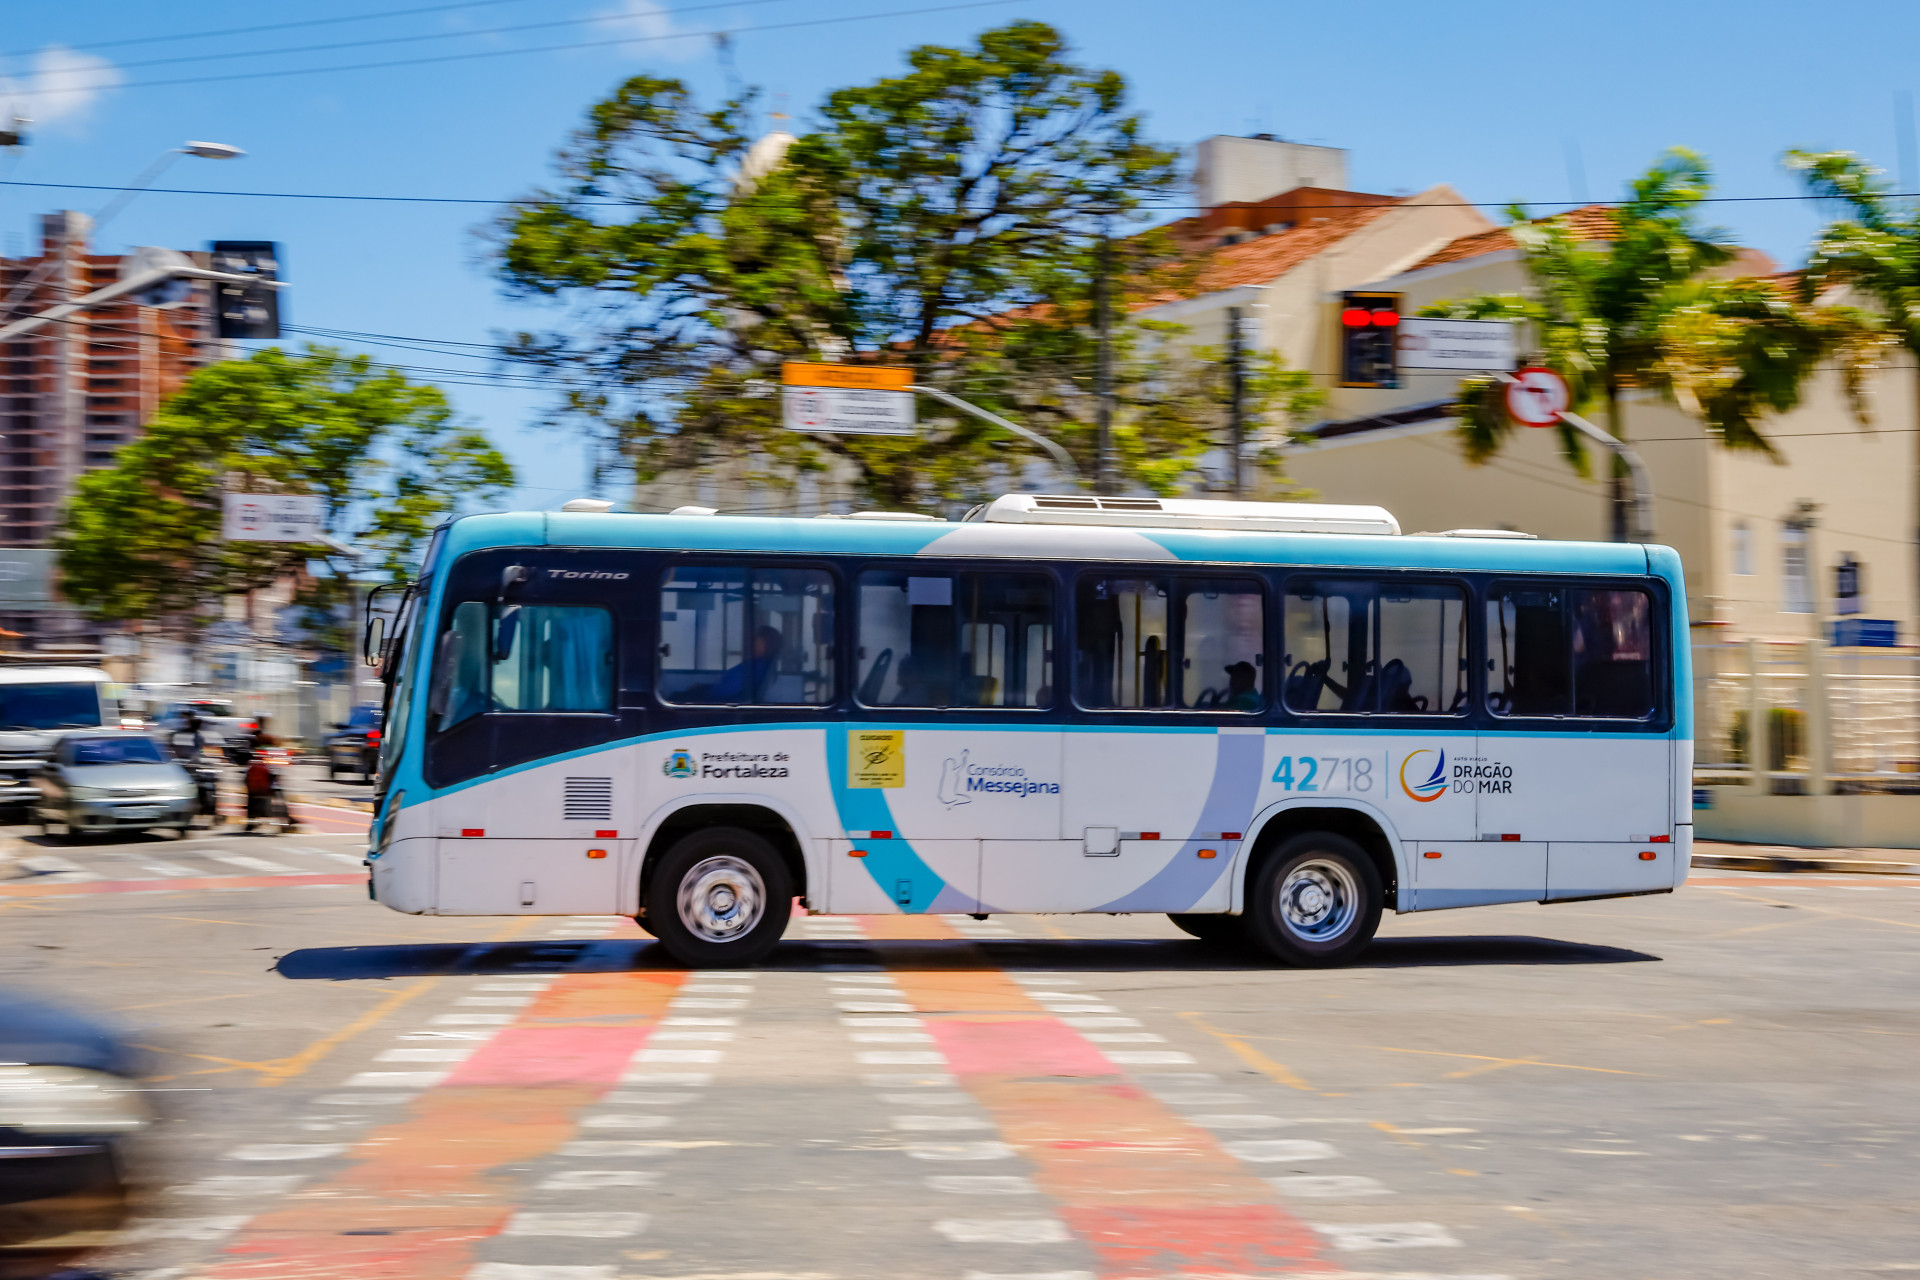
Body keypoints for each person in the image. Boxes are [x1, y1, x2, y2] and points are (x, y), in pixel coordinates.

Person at [711, 626, 783, 702]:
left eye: (756, 640)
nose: (751, 643)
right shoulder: (756, 665)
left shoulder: (755, 668)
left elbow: (725, 691)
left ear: (766, 644)